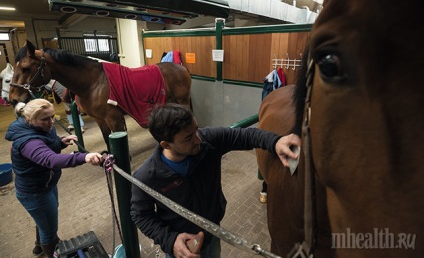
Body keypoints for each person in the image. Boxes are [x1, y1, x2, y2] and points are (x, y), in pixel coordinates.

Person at [130, 103, 300, 258]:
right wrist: (170, 241)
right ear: (166, 145)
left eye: (196, 129)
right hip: (181, 248)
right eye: (188, 138)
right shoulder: (147, 176)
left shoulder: (207, 141)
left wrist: (275, 141)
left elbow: (246, 135)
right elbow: (141, 215)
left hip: (212, 235)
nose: (198, 139)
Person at [4, 99, 104, 258]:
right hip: (35, 192)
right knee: (50, 231)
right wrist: (83, 157)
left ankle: (39, 246)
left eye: (52, 116)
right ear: (29, 119)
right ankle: (51, 251)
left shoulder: (41, 127)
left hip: (46, 184)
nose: (51, 121)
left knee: (45, 221)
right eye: (45, 119)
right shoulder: (27, 142)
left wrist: (60, 142)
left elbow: (47, 143)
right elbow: (51, 159)